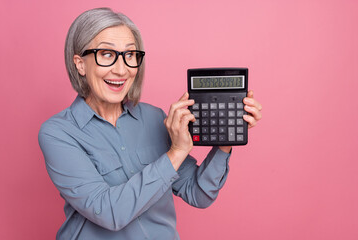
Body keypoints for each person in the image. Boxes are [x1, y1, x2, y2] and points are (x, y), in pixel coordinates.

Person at [38, 7, 262, 240]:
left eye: (130, 55)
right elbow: (108, 212)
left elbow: (199, 193)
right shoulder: (58, 133)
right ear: (80, 64)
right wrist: (176, 152)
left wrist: (227, 134)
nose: (121, 69)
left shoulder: (155, 119)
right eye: (106, 54)